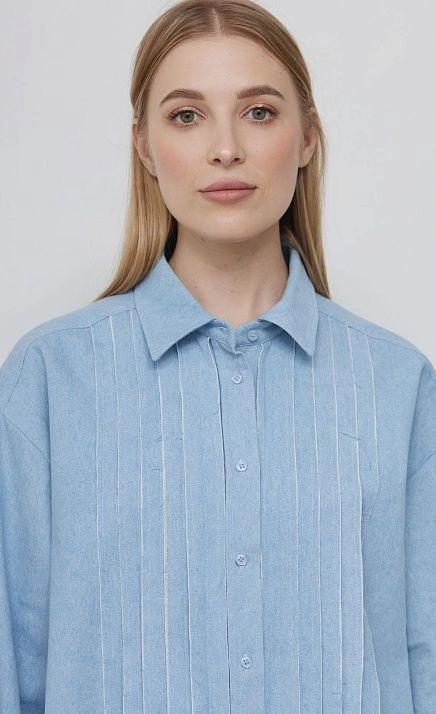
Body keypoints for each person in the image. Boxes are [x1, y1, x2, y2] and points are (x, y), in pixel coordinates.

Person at [0, 0, 435, 711]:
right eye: (186, 115)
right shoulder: (48, 383)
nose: (225, 148)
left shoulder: (398, 385)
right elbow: (14, 661)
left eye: (259, 112)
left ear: (307, 137)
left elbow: (425, 655)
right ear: (143, 147)